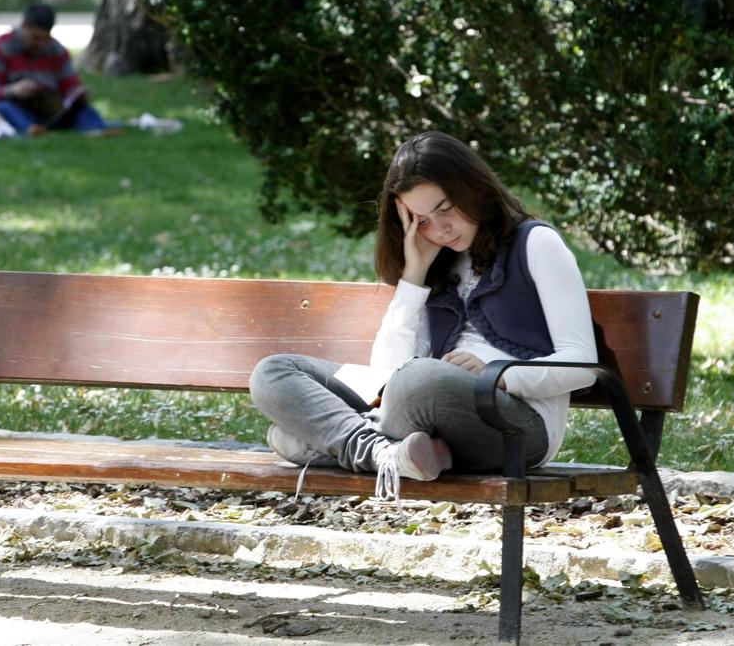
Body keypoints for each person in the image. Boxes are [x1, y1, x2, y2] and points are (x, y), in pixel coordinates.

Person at [249, 131, 598, 501]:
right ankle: (386, 453)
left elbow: (582, 365)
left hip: (515, 425)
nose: (440, 228)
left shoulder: (537, 244)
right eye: (422, 219)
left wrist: (497, 373)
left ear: (473, 187)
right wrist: (414, 275)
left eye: (446, 208)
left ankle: (336, 439)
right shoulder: (438, 262)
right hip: (423, 410)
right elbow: (386, 377)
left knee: (406, 383)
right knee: (274, 371)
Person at [0, 4, 110, 136]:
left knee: (84, 110)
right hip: (16, 106)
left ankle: (96, 130)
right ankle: (32, 129)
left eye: (45, 38)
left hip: (51, 111)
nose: (41, 44)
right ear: (24, 26)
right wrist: (12, 90)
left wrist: (78, 94)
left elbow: (70, 85)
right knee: (3, 108)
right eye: (36, 38)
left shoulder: (57, 50)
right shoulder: (0, 47)